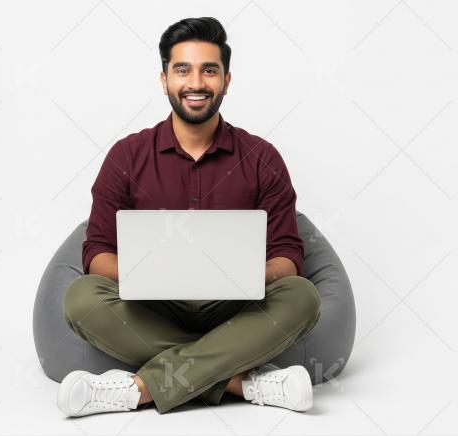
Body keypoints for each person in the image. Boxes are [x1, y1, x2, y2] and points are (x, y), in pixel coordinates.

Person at [57, 16, 321, 417]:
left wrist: (250, 275)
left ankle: (138, 389)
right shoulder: (127, 156)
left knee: (303, 298)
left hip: (235, 309)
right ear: (164, 79)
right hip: (153, 306)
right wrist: (148, 275)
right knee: (80, 299)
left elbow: (288, 254)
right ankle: (242, 382)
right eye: (183, 70)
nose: (196, 83)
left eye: (209, 70)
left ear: (226, 81)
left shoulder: (261, 158)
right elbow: (96, 252)